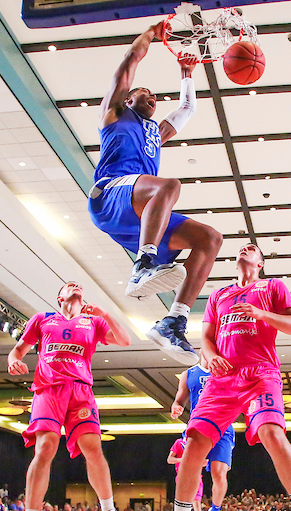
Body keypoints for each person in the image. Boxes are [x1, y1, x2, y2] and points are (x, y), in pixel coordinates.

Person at [152, 243, 291, 511]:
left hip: (260, 373)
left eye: (252, 248)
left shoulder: (273, 287)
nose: (245, 248)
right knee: (195, 441)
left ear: (260, 262)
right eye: (241, 247)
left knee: (272, 434)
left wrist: (261, 313)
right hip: (221, 377)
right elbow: (206, 339)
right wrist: (209, 357)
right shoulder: (218, 296)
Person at [93, 24, 223, 365]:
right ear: (127, 99)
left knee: (210, 238)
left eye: (155, 96)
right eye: (145, 93)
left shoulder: (155, 132)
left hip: (139, 210)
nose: (152, 98)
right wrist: (152, 32)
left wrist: (186, 74)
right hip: (109, 195)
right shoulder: (114, 115)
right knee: (169, 185)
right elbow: (128, 62)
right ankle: (144, 264)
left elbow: (187, 110)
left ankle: (173, 321)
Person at [8, 281, 133, 511]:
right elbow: (18, 348)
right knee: (45, 447)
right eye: (68, 285)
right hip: (48, 390)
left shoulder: (92, 322)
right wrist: (13, 359)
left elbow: (124, 340)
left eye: (78, 286)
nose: (75, 285)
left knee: (93, 448)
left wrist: (105, 313)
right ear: (60, 296)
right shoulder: (42, 320)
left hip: (80, 391)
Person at [171, 363, 235, 511]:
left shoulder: (227, 367)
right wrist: (176, 406)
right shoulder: (188, 374)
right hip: (198, 425)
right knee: (188, 470)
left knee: (218, 472)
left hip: (223, 426)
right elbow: (179, 399)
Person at [166, 436, 205, 511]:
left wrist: (198, 460)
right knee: (182, 504)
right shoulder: (179, 442)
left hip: (196, 476)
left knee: (196, 504)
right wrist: (183, 459)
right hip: (182, 477)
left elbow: (205, 462)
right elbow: (170, 459)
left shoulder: (200, 442)